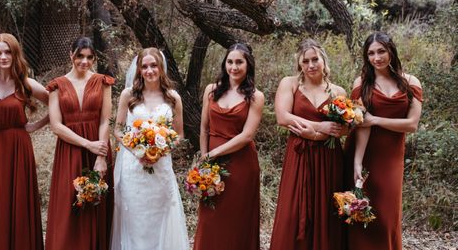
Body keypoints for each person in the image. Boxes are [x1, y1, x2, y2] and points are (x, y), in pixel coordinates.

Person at [0, 33, 48, 250]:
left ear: (15, 54)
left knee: (18, 199)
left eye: (8, 52)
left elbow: (57, 104)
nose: (3, 57)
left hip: (18, 148)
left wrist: (35, 125)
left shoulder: (25, 82)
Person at [344, 32, 422, 250]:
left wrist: (375, 119)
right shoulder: (361, 83)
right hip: (366, 152)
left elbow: (412, 124)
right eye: (371, 53)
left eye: (381, 51)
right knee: (362, 214)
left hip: (391, 157)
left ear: (391, 52)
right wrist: (357, 162)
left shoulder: (411, 83)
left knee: (387, 216)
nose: (376, 58)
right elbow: (361, 125)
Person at [270, 38, 346, 250]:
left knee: (324, 209)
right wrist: (319, 127)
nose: (311, 65)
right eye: (306, 61)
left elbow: (343, 129)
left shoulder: (338, 92)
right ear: (299, 64)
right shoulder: (290, 84)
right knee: (293, 208)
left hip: (328, 157)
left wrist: (317, 136)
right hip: (299, 156)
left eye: (315, 59)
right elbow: (283, 117)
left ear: (324, 60)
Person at [111, 48, 188, 250]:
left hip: (161, 167)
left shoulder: (173, 97)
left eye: (153, 65)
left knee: (160, 215)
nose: (149, 70)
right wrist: (138, 151)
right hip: (134, 168)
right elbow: (118, 131)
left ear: (161, 67)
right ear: (139, 70)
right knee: (136, 218)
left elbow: (179, 134)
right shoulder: (129, 95)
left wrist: (161, 151)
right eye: (144, 66)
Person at [193, 43, 265, 250]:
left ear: (248, 64)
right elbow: (204, 128)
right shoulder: (211, 90)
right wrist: (205, 158)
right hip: (211, 163)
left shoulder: (255, 96)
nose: (234, 67)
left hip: (241, 164)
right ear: (225, 63)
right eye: (230, 62)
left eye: (239, 62)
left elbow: (247, 135)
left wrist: (215, 153)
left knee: (236, 218)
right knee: (210, 217)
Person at [45, 37, 115, 250]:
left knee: (95, 202)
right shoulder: (57, 85)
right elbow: (56, 126)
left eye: (89, 57)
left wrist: (100, 156)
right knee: (69, 205)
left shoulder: (104, 82)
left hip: (99, 148)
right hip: (70, 149)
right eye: (80, 56)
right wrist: (88, 144)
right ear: (71, 54)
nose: (84, 61)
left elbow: (105, 120)